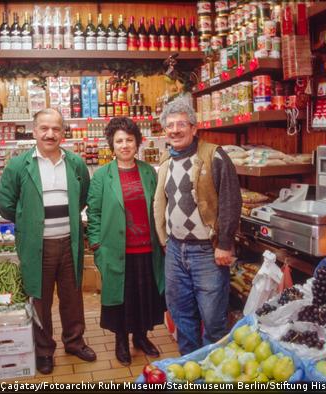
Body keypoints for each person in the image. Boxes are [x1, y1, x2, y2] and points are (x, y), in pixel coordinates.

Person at [0, 108, 96, 375]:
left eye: (56, 129)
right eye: (44, 128)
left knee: (72, 296)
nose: (50, 134)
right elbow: (4, 204)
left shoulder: (74, 163)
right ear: (34, 131)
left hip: (69, 242)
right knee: (40, 299)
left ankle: (74, 342)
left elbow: (83, 196)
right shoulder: (19, 165)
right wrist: (29, 220)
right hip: (36, 245)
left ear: (63, 132)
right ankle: (44, 350)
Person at [153, 96, 243, 355]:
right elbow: (163, 203)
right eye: (170, 125)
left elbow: (230, 200)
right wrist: (165, 240)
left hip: (207, 252)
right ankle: (190, 369)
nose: (175, 130)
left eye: (182, 124)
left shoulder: (214, 155)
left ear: (194, 128)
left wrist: (224, 244)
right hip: (175, 250)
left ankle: (213, 373)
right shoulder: (166, 162)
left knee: (214, 321)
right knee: (183, 318)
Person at [86, 117, 166, 366]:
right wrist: (97, 245)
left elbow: (158, 206)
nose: (124, 145)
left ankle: (140, 337)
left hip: (147, 249)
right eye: (119, 141)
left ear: (137, 143)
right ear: (112, 145)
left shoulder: (148, 172)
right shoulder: (102, 176)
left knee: (145, 296)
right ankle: (121, 340)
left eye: (129, 140)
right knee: (121, 298)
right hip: (116, 250)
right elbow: (94, 213)